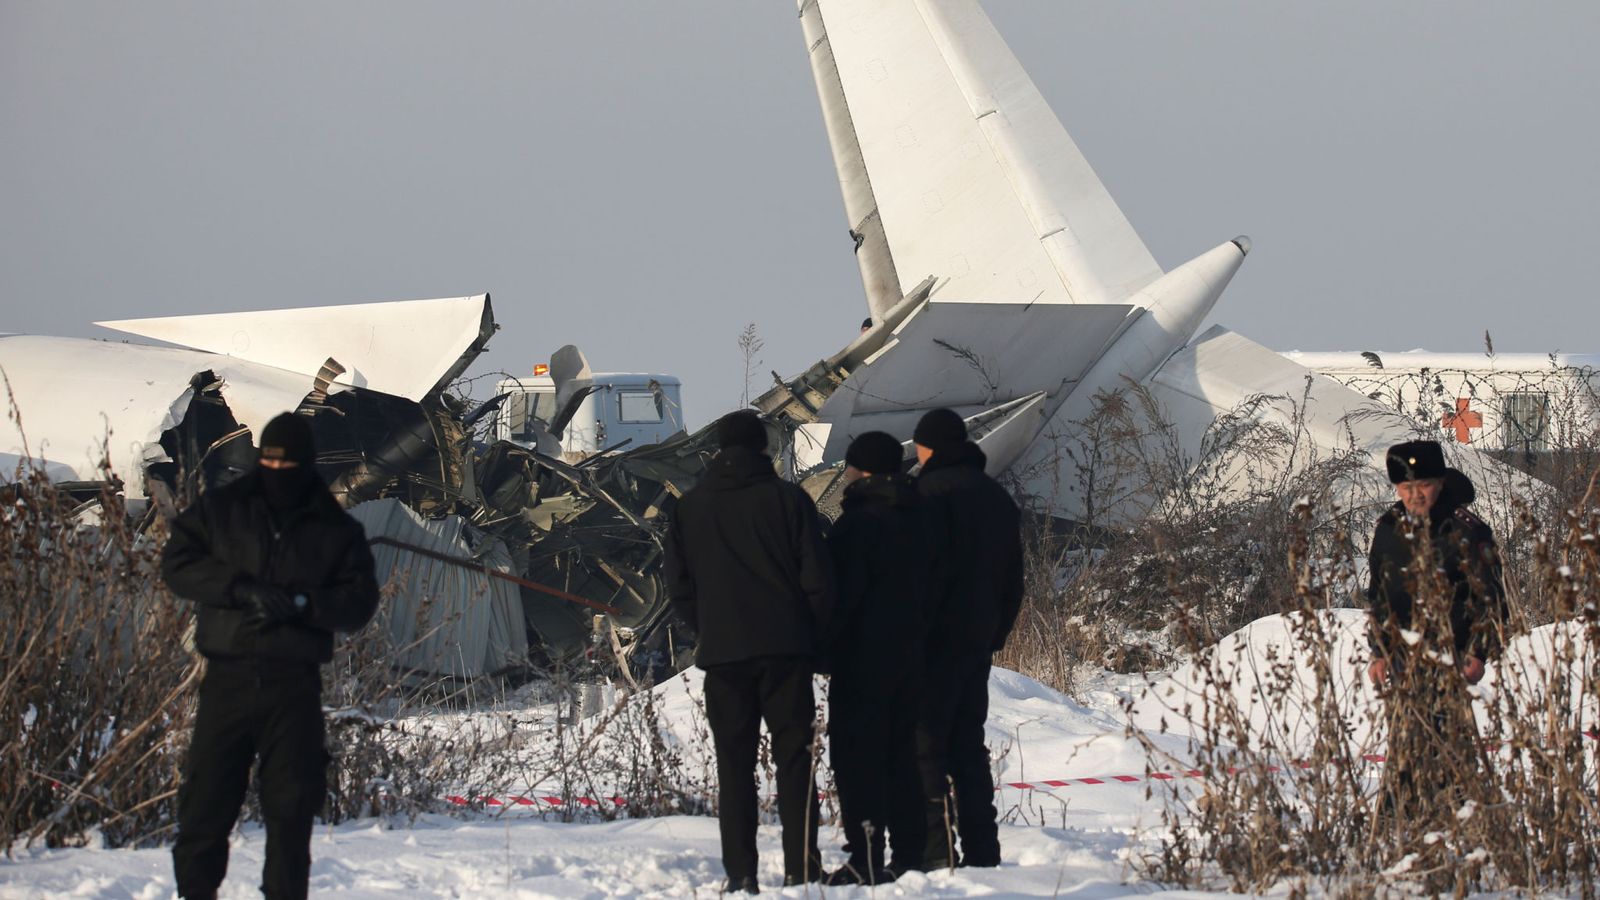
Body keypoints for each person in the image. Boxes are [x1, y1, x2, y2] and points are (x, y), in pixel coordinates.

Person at [162, 412, 380, 900]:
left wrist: (306, 605)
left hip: (293, 685)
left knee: (291, 811)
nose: (277, 470)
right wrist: (239, 589)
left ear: (306, 463)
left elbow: (360, 602)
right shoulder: (223, 509)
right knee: (205, 807)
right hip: (227, 677)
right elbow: (178, 565)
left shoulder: (333, 527)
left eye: (288, 463)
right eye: (269, 461)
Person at [663, 410, 835, 894]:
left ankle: (741, 874)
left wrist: (711, 628)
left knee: (733, 765)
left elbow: (677, 587)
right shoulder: (789, 500)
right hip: (785, 651)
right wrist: (809, 636)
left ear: (718, 450)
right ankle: (802, 867)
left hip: (724, 656)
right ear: (763, 447)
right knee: (795, 760)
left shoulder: (690, 507)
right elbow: (818, 581)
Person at [1364, 439, 1507, 823]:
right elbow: (1379, 596)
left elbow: (1490, 598)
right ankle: (1400, 828)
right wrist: (1378, 651)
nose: (1415, 495)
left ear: (1440, 483)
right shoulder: (1388, 530)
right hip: (1402, 658)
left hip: (1451, 658)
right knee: (1404, 745)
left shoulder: (1466, 531)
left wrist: (1478, 651)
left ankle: (1460, 825)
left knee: (1449, 748)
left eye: (1423, 485)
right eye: (1406, 488)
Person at [910, 408, 1024, 869]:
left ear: (929, 446)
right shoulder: (997, 499)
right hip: (975, 644)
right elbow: (1013, 581)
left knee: (926, 745)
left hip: (931, 643)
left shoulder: (925, 495)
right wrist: (993, 634)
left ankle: (937, 854)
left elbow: (916, 576)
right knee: (968, 747)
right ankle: (983, 850)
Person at [821, 431, 929, 885]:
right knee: (907, 759)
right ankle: (911, 855)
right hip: (919, 660)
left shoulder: (856, 526)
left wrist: (823, 648)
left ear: (859, 470)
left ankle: (864, 857)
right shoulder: (928, 520)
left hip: (862, 663)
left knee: (859, 760)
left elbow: (839, 599)